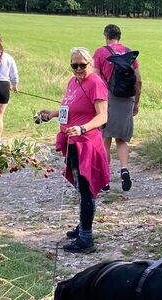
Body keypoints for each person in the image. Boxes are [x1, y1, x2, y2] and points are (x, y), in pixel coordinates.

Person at [37, 47, 110, 254]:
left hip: (86, 143)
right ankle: (83, 225)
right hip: (72, 142)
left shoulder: (95, 83)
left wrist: (82, 128)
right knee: (79, 187)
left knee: (85, 189)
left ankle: (86, 238)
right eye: (74, 65)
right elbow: (68, 109)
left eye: (82, 65)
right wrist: (52, 114)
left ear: (90, 64)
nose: (78, 69)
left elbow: (103, 116)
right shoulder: (73, 82)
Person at [93, 24, 142, 192]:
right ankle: (124, 169)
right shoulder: (129, 53)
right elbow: (138, 80)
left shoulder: (101, 52)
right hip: (127, 99)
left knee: (105, 137)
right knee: (122, 139)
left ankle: (105, 179)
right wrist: (136, 103)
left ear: (106, 36)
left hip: (108, 98)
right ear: (119, 37)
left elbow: (95, 78)